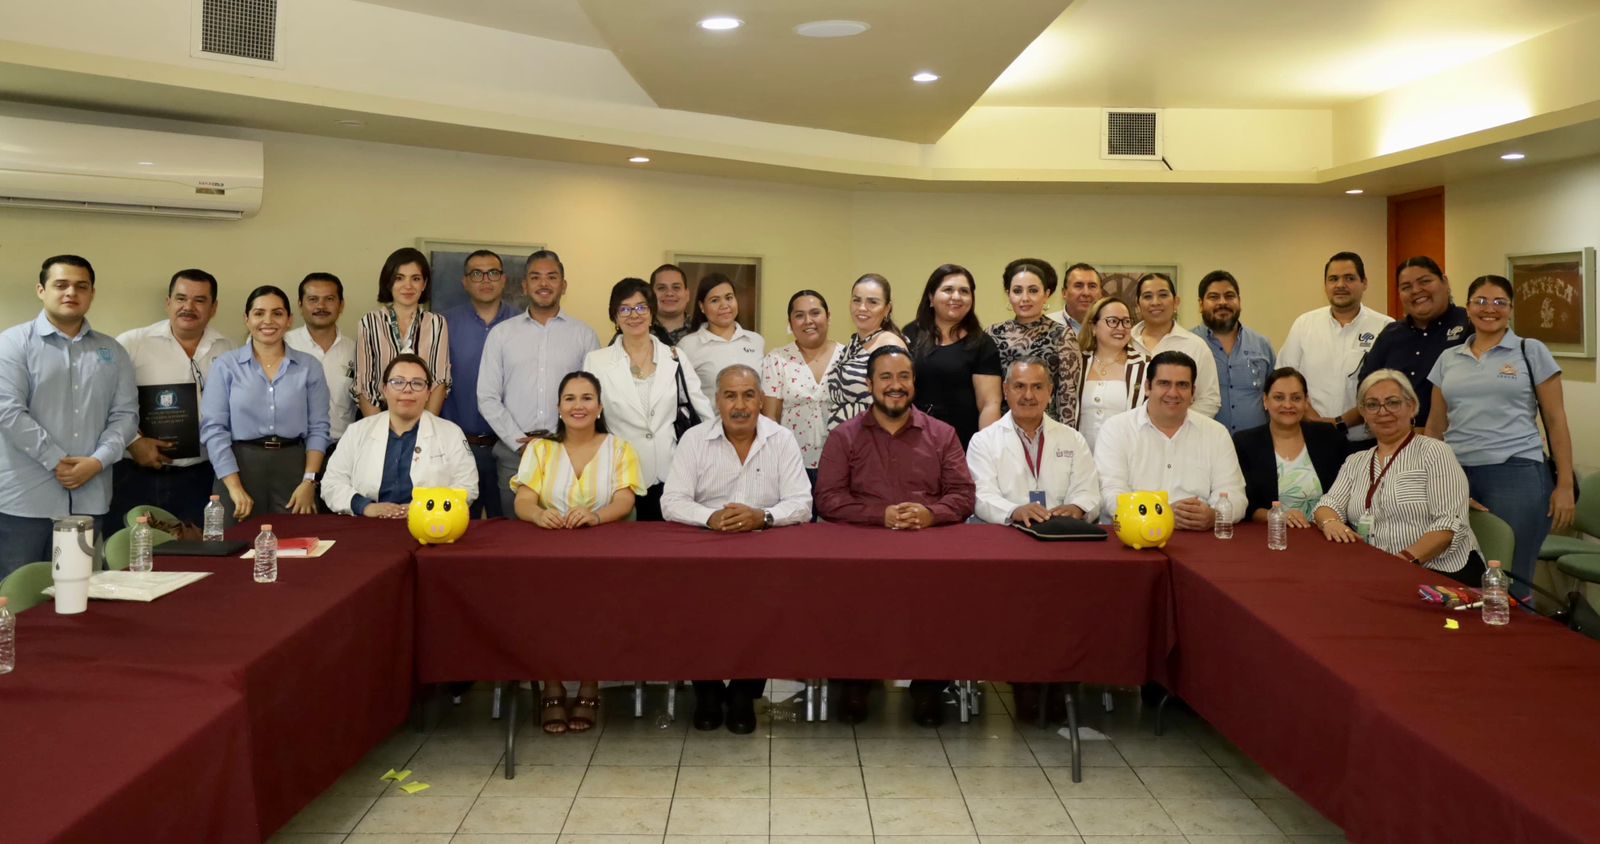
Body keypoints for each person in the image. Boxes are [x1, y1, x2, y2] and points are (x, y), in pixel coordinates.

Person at [815, 346, 975, 727]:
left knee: (946, 598)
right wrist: (880, 515)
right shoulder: (844, 436)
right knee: (844, 597)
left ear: (914, 383)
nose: (895, 385)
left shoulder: (942, 434)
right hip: (860, 550)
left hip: (927, 550)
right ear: (869, 384)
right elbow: (827, 498)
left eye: (904, 377)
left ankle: (928, 687)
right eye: (885, 377)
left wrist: (930, 514)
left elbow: (963, 495)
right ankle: (855, 683)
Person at [663, 364, 811, 734]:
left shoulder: (782, 439)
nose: (740, 405)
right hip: (705, 550)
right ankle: (708, 691)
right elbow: (672, 501)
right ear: (717, 401)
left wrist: (763, 516)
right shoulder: (695, 439)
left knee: (767, 609)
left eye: (748, 395)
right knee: (691, 607)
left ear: (761, 400)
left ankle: (745, 692)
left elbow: (802, 503)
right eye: (730, 396)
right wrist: (710, 517)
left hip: (763, 551)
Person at [965, 356, 1100, 724]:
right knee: (1018, 610)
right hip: (1007, 545)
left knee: (1073, 608)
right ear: (1006, 391)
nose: (1028, 395)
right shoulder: (983, 441)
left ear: (1050, 392)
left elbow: (1090, 491)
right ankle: (1023, 682)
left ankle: (1061, 682)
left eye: (1038, 387)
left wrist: (1077, 507)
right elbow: (980, 496)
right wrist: (1014, 510)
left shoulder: (1072, 439)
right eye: (1020, 386)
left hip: (1062, 546)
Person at [1426, 275, 1574, 601]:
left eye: (1499, 302)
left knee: (1511, 580)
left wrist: (1564, 485)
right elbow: (1435, 427)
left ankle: (1521, 633)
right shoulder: (1448, 358)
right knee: (1457, 573)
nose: (1489, 309)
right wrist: (1435, 479)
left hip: (1516, 473)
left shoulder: (1530, 351)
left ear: (1511, 309)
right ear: (1467, 308)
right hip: (1456, 475)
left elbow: (1556, 420)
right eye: (1480, 301)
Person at [512, 370, 643, 733]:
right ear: (559, 407)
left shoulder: (620, 449)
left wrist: (596, 516)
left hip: (605, 556)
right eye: (569, 398)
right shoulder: (540, 449)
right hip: (548, 555)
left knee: (598, 611)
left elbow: (625, 500)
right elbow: (523, 500)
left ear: (599, 407)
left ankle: (589, 686)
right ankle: (552, 688)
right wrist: (538, 515)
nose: (578, 406)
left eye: (587, 398)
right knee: (544, 611)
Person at [0, 255, 136, 578]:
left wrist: (98, 461)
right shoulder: (12, 344)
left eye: (81, 286)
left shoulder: (113, 351)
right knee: (18, 596)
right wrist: (57, 460)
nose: (71, 292)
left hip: (89, 497)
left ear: (92, 293)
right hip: (24, 501)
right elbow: (8, 411)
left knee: (77, 593)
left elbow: (126, 416)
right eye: (61, 285)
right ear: (41, 290)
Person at [1314, 369, 1482, 584]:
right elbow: (1327, 504)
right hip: (1377, 569)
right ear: (1363, 413)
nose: (1383, 411)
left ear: (1412, 407)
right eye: (1372, 405)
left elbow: (1448, 525)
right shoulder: (1356, 461)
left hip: (1438, 572)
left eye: (1393, 402)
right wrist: (1330, 522)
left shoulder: (1435, 452)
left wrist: (1400, 562)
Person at [478, 249, 601, 518]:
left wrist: (564, 440)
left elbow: (591, 398)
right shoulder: (501, 335)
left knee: (568, 531)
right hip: (515, 455)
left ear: (563, 285)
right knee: (515, 534)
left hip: (570, 452)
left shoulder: (584, 335)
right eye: (535, 277)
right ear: (525, 285)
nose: (543, 284)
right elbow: (487, 396)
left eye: (552, 277)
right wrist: (520, 444)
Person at [110, 268, 235, 528]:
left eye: (199, 300)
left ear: (213, 308)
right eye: (181, 298)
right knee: (132, 549)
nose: (188, 307)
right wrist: (133, 442)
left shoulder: (229, 348)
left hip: (201, 476)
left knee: (197, 550)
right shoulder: (132, 343)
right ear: (168, 302)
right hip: (135, 474)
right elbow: (106, 401)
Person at [200, 286, 331, 525]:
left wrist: (309, 481)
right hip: (238, 468)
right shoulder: (226, 366)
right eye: (259, 313)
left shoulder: (309, 366)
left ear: (289, 320)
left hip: (294, 469)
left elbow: (319, 428)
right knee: (234, 543)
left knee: (298, 542)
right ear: (247, 319)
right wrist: (234, 487)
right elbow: (214, 429)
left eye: (277, 313)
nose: (268, 321)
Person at [584, 279, 713, 521]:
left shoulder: (675, 356)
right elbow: (589, 421)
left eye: (641, 307)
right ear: (615, 316)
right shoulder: (596, 361)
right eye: (625, 308)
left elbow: (702, 411)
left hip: (671, 475)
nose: (634, 315)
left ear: (652, 313)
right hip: (618, 478)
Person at [1094, 351, 1245, 530]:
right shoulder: (1116, 429)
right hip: (1134, 535)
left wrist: (1215, 515)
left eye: (1182, 385)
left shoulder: (1216, 434)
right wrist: (1161, 514)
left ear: (1193, 392)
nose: (1173, 393)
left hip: (1199, 536)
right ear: (1148, 387)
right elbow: (1111, 494)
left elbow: (1235, 495)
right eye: (1164, 383)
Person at [321, 354, 477, 516]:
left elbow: (467, 486)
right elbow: (332, 483)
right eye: (398, 382)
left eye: (417, 383)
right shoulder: (357, 431)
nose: (407, 389)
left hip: (430, 523)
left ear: (428, 393)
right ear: (385, 390)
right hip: (367, 523)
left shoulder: (450, 433)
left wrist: (425, 507)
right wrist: (365, 507)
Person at [1277, 252, 1393, 443]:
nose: (1340, 285)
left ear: (1364, 283)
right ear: (1325, 285)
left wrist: (1339, 423)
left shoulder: (1386, 327)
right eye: (1333, 279)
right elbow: (1284, 379)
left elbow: (1390, 390)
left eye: (1349, 278)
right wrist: (1313, 419)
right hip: (1310, 437)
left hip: (1366, 442)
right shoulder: (1304, 324)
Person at [439, 250, 517, 518]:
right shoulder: (442, 324)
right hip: (458, 446)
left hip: (508, 447)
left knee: (507, 530)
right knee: (456, 527)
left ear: (504, 279)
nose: (485, 280)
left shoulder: (522, 323)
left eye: (493, 273)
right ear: (465, 281)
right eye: (476, 273)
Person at [1351, 256, 1470, 430]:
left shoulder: (1469, 324)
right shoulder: (1390, 334)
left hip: (1456, 439)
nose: (1416, 290)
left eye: (1425, 281)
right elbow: (1366, 388)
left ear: (1445, 282)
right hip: (1395, 438)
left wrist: (1430, 432)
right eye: (1406, 287)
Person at [1232, 368, 1349, 526]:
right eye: (1279, 397)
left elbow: (1347, 493)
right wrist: (1277, 516)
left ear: (1306, 401)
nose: (1288, 405)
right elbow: (1246, 504)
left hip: (1325, 531)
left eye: (1296, 398)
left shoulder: (1328, 437)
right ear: (1265, 400)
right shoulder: (1246, 442)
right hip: (1272, 533)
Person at [902, 264, 1002, 447]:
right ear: (931, 297)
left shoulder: (982, 343)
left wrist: (987, 451)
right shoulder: (909, 335)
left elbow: (989, 404)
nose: (956, 297)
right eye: (948, 290)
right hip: (914, 440)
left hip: (962, 443)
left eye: (964, 291)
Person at [354, 247, 451, 418]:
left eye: (416, 278)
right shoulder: (370, 322)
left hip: (424, 415)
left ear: (424, 284)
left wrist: (424, 428)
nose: (408, 286)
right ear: (388, 282)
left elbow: (439, 381)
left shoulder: (436, 323)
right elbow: (364, 383)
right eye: (399, 278)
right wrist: (380, 428)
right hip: (378, 415)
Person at [988, 260, 1083, 428]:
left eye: (1033, 290)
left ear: (1046, 294)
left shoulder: (1063, 336)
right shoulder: (992, 334)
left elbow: (1068, 399)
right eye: (1017, 291)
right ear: (1008, 294)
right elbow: (988, 398)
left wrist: (1066, 437)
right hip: (1003, 428)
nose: (1025, 298)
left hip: (1048, 429)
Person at [761, 289, 842, 479]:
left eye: (815, 313)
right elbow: (770, 420)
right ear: (790, 323)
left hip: (841, 463)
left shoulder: (847, 357)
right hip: (792, 465)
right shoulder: (776, 359)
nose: (808, 321)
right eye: (799, 315)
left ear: (828, 316)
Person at [285, 273, 357, 482]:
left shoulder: (356, 350)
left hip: (340, 453)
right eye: (313, 299)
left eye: (329, 299)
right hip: (292, 452)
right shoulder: (283, 345)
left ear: (341, 305)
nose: (321, 306)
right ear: (300, 304)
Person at [1194, 270, 1275, 434]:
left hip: (1255, 444)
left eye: (1229, 296)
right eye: (1214, 297)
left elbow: (1275, 394)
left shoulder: (1262, 345)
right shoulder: (1188, 344)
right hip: (1204, 442)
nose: (1222, 302)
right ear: (1201, 304)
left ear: (1239, 301)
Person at [1130, 272, 1221, 418]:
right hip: (1128, 430)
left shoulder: (1196, 346)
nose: (1155, 302)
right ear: (1138, 304)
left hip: (1180, 430)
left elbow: (1209, 400)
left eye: (1163, 295)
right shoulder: (1125, 342)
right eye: (1147, 296)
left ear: (1176, 302)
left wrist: (1173, 423)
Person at [825, 273, 905, 430]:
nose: (862, 308)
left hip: (873, 438)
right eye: (856, 300)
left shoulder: (890, 345)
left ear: (887, 309)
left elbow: (897, 402)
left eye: (872, 302)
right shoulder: (853, 343)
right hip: (843, 438)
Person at [675, 273, 765, 407]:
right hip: (709, 420)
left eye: (729, 298)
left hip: (752, 419)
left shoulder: (756, 341)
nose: (724, 305)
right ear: (702, 306)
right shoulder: (688, 345)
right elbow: (680, 396)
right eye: (715, 300)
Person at [1072, 297, 1148, 451]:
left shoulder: (1145, 366)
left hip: (1126, 455)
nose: (1121, 328)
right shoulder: (1076, 363)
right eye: (1112, 321)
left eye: (1126, 322)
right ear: (1093, 327)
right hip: (1079, 456)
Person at [1048, 262, 1103, 334]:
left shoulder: (1112, 326)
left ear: (1101, 293)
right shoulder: (1047, 325)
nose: (1086, 293)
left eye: (1092, 286)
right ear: (1064, 293)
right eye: (1078, 286)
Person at [650, 263, 695, 345]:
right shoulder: (639, 331)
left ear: (687, 294)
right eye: (661, 288)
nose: (669, 293)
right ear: (651, 294)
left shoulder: (702, 330)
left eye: (676, 287)